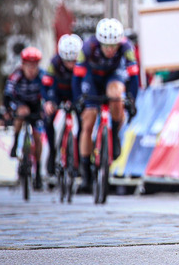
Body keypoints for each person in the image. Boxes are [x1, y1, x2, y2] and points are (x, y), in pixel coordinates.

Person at [74, 18, 140, 194]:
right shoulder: (88, 47)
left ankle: (116, 135)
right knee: (88, 120)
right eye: (106, 46)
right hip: (92, 79)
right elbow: (77, 77)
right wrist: (78, 100)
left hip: (113, 76)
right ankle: (86, 171)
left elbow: (134, 77)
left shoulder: (126, 48)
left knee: (116, 95)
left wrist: (132, 100)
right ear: (99, 42)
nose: (110, 50)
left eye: (114, 46)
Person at [4, 47, 50, 190]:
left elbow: (49, 93)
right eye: (28, 66)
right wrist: (10, 109)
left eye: (34, 66)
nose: (31, 69)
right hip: (21, 102)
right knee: (21, 115)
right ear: (23, 65)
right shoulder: (16, 76)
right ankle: (16, 139)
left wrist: (46, 108)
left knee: (37, 136)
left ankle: (37, 174)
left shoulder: (43, 76)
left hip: (36, 105)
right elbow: (8, 93)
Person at [43, 33, 82, 176]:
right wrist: (48, 101)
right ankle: (53, 152)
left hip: (75, 93)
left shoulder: (83, 62)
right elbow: (46, 84)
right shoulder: (54, 63)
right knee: (47, 118)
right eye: (67, 61)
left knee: (83, 121)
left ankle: (80, 158)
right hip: (58, 93)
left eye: (74, 61)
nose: (71, 65)